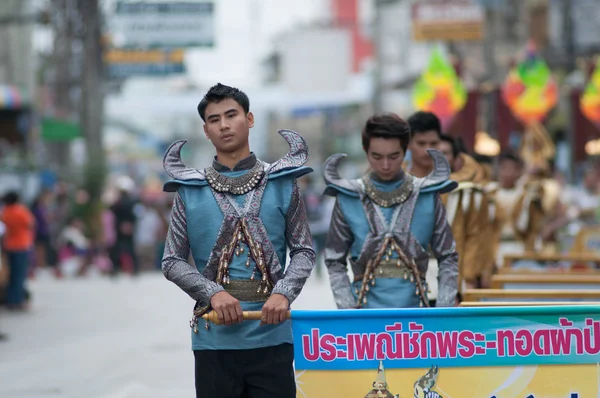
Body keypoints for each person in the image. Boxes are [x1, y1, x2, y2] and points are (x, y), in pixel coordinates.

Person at [161, 83, 315, 398]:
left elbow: (304, 251)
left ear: (250, 118)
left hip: (273, 336)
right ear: (206, 130)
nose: (224, 124)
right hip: (213, 338)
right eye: (215, 119)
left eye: (232, 115)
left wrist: (284, 294)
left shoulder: (283, 182)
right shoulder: (188, 190)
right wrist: (212, 292)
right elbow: (172, 260)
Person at [324, 113, 458, 309]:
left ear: (405, 151)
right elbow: (334, 261)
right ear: (365, 151)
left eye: (393, 156)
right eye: (376, 157)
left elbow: (448, 256)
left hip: (418, 313)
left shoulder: (427, 194)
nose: (385, 165)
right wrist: (348, 311)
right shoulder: (349, 197)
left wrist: (443, 309)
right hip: (364, 317)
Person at [437, 134, 490, 291]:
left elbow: (475, 236)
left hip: (455, 270)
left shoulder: (468, 192)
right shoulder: (414, 188)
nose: (440, 158)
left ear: (456, 159)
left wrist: (469, 276)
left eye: (445, 153)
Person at [0, 191, 35, 311]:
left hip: (8, 245)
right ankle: (17, 301)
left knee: (11, 275)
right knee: (19, 275)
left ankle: (10, 300)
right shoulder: (20, 211)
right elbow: (31, 223)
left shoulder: (5, 212)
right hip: (21, 245)